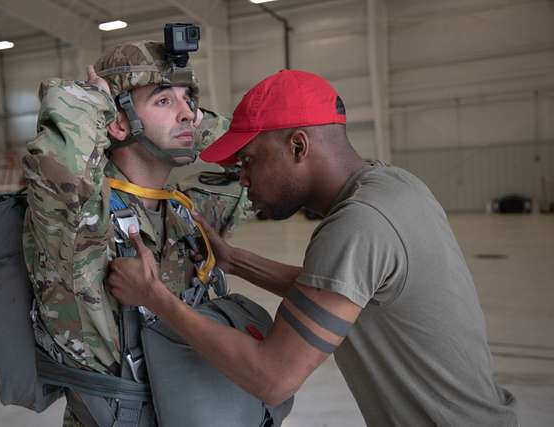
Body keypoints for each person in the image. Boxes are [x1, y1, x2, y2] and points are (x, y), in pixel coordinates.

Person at [107, 70, 519, 426]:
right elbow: (343, 290)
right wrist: (235, 261)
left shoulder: (359, 225)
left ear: (298, 147)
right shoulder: (393, 186)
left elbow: (271, 378)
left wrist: (155, 298)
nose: (243, 180)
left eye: (248, 161)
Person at [23, 40, 266, 426]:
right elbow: (63, 169)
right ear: (117, 122)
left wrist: (193, 119)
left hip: (192, 408)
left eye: (190, 100)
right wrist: (94, 105)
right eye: (164, 100)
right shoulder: (80, 220)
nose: (189, 114)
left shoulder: (185, 213)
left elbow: (252, 165)